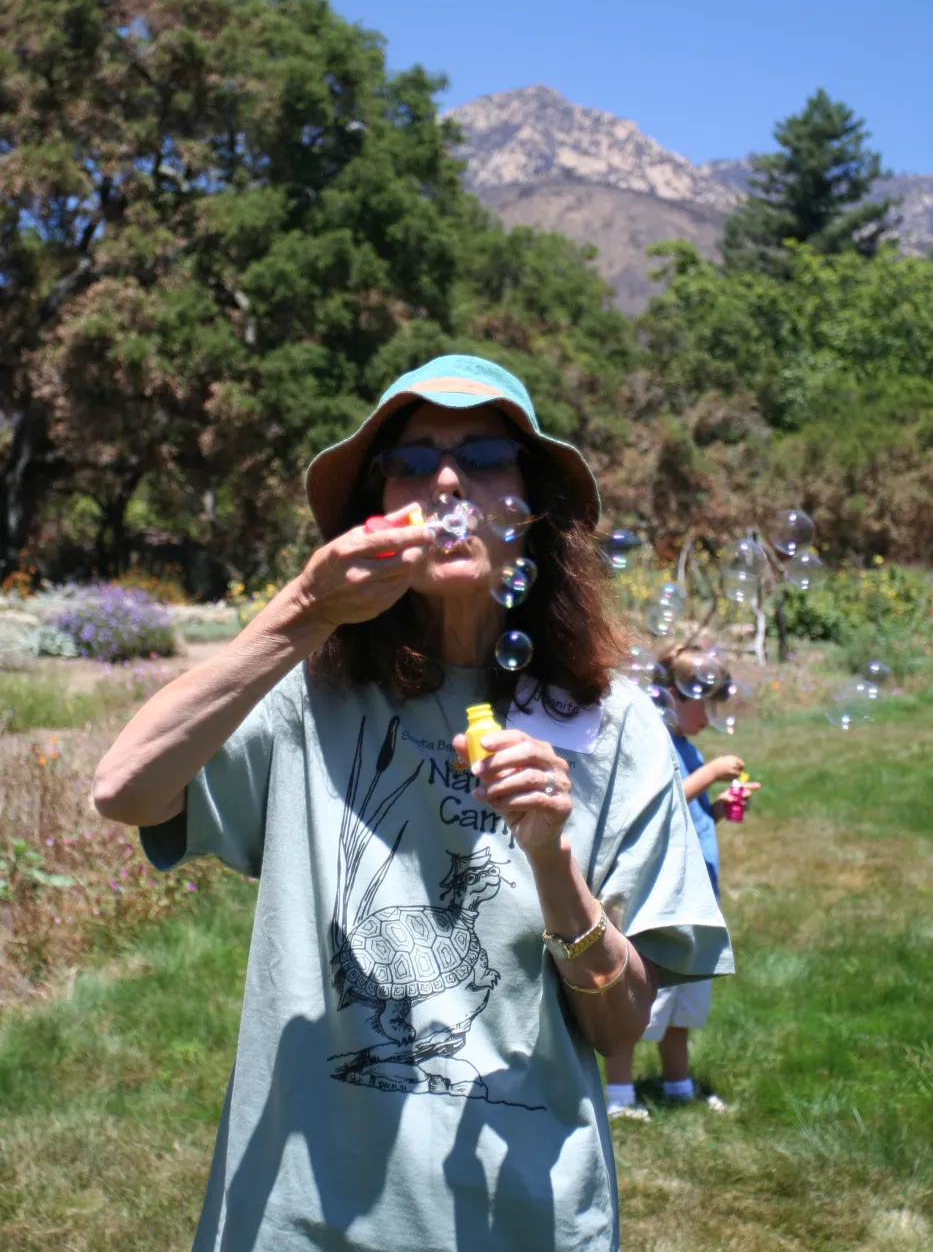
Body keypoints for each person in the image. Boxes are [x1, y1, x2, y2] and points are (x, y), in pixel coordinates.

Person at [93, 354, 733, 1252]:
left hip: (520, 1217)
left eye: (481, 455)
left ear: (533, 505)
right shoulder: (307, 688)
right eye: (407, 460)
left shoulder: (615, 725)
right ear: (376, 504)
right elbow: (124, 790)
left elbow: (619, 1023)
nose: (443, 479)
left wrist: (553, 865)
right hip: (296, 1216)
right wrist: (303, 611)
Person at [605, 645, 760, 1120]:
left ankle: (678, 1086)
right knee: (645, 999)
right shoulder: (656, 743)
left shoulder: (687, 746)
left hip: (693, 898)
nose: (712, 715)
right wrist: (710, 773)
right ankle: (618, 1097)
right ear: (672, 697)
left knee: (684, 1002)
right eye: (705, 702)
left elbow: (688, 812)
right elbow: (662, 803)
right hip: (661, 898)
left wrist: (716, 808)